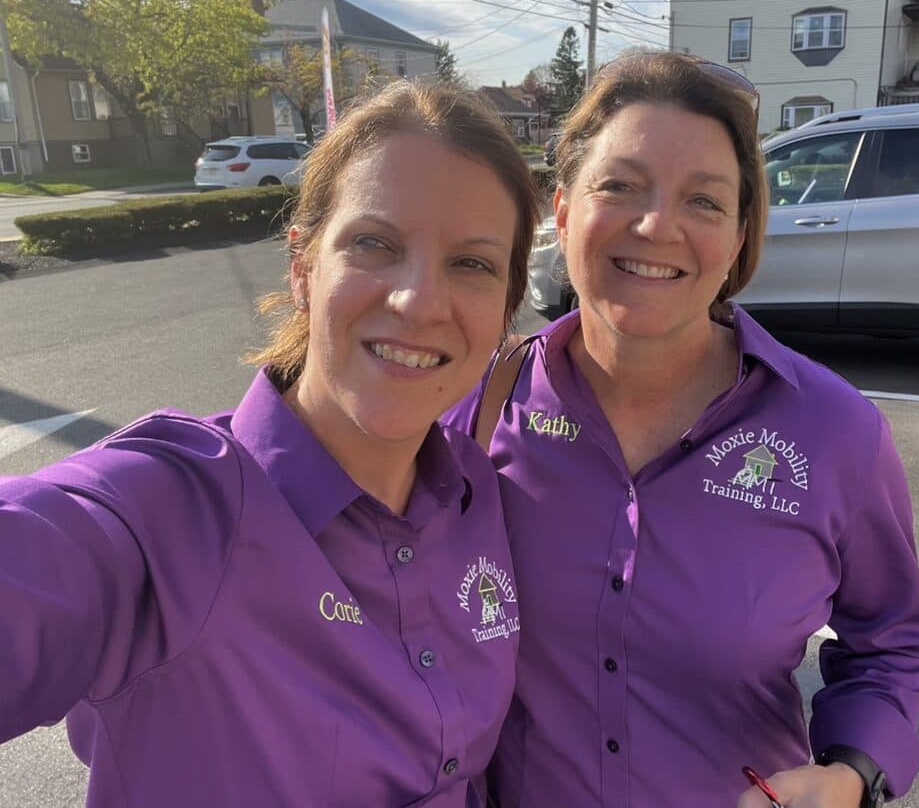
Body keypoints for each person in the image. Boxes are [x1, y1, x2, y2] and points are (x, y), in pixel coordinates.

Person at [0, 81, 540, 807]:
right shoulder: (167, 512)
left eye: (471, 263)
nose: (418, 300)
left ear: (506, 306)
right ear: (302, 268)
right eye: (375, 244)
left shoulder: (478, 495)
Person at [444, 52, 919, 808]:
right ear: (561, 210)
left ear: (742, 233)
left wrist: (852, 772)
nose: (655, 226)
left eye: (704, 202)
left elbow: (893, 638)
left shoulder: (835, 432)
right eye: (618, 185)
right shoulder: (481, 402)